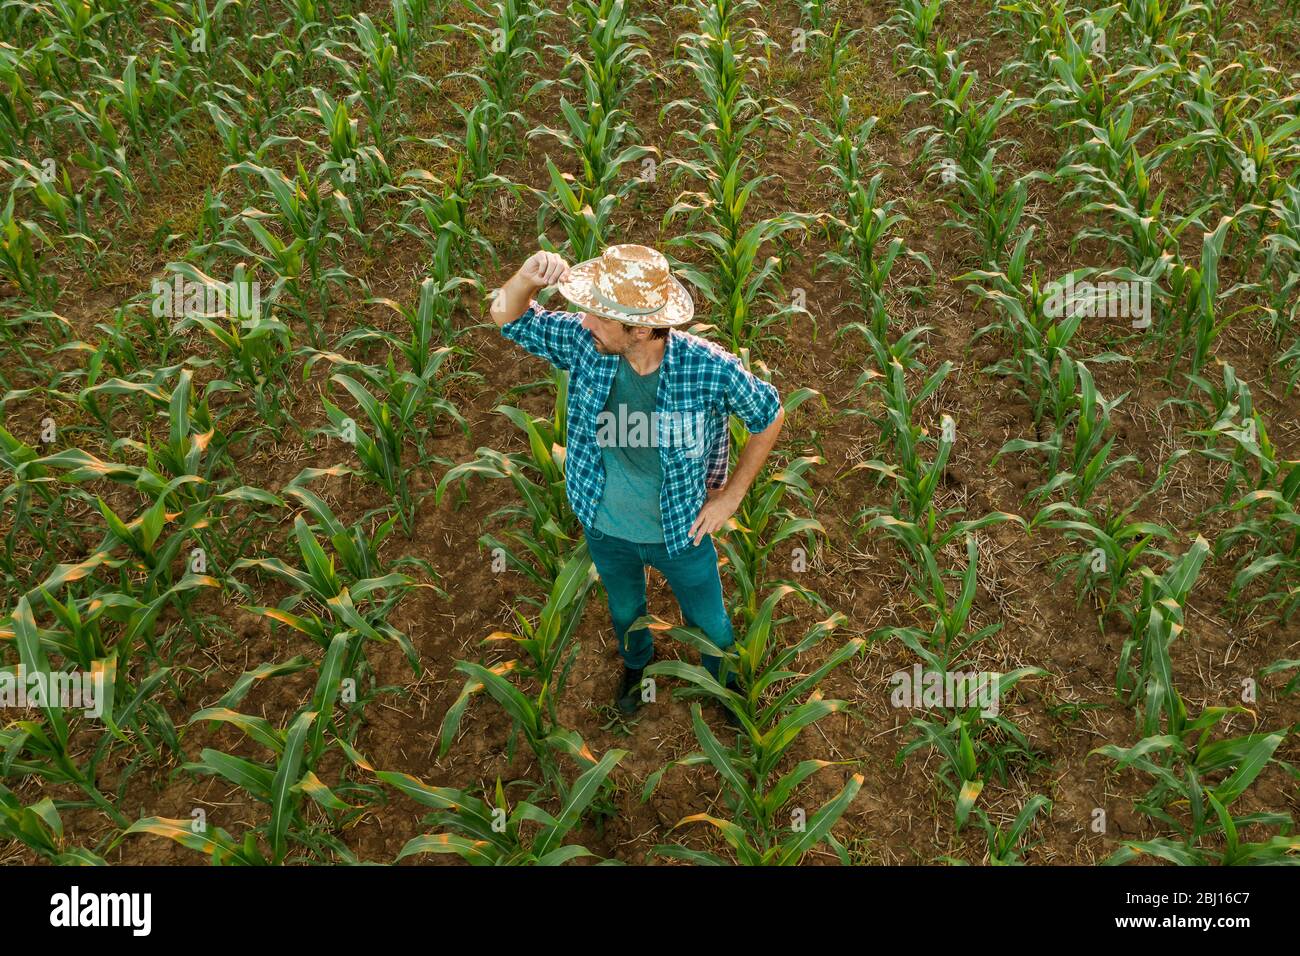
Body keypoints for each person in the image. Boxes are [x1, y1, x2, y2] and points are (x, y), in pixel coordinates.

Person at [489, 243, 784, 723]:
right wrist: (524, 280)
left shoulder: (708, 367)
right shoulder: (588, 345)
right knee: (626, 611)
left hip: (682, 530)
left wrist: (732, 496)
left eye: (600, 318)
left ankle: (724, 682)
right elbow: (507, 317)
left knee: (709, 620)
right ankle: (636, 664)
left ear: (642, 328)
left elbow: (769, 415)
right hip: (605, 526)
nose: (585, 323)